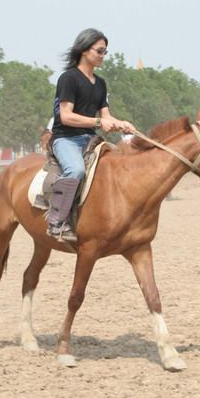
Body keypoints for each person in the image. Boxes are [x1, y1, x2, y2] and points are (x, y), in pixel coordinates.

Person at [46, 28, 136, 242]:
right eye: (100, 51)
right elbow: (66, 117)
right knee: (76, 169)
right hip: (66, 139)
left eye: (105, 52)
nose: (103, 56)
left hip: (90, 140)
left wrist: (121, 123)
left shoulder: (101, 83)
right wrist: (99, 122)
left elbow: (106, 115)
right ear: (85, 50)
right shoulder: (68, 79)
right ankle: (57, 221)